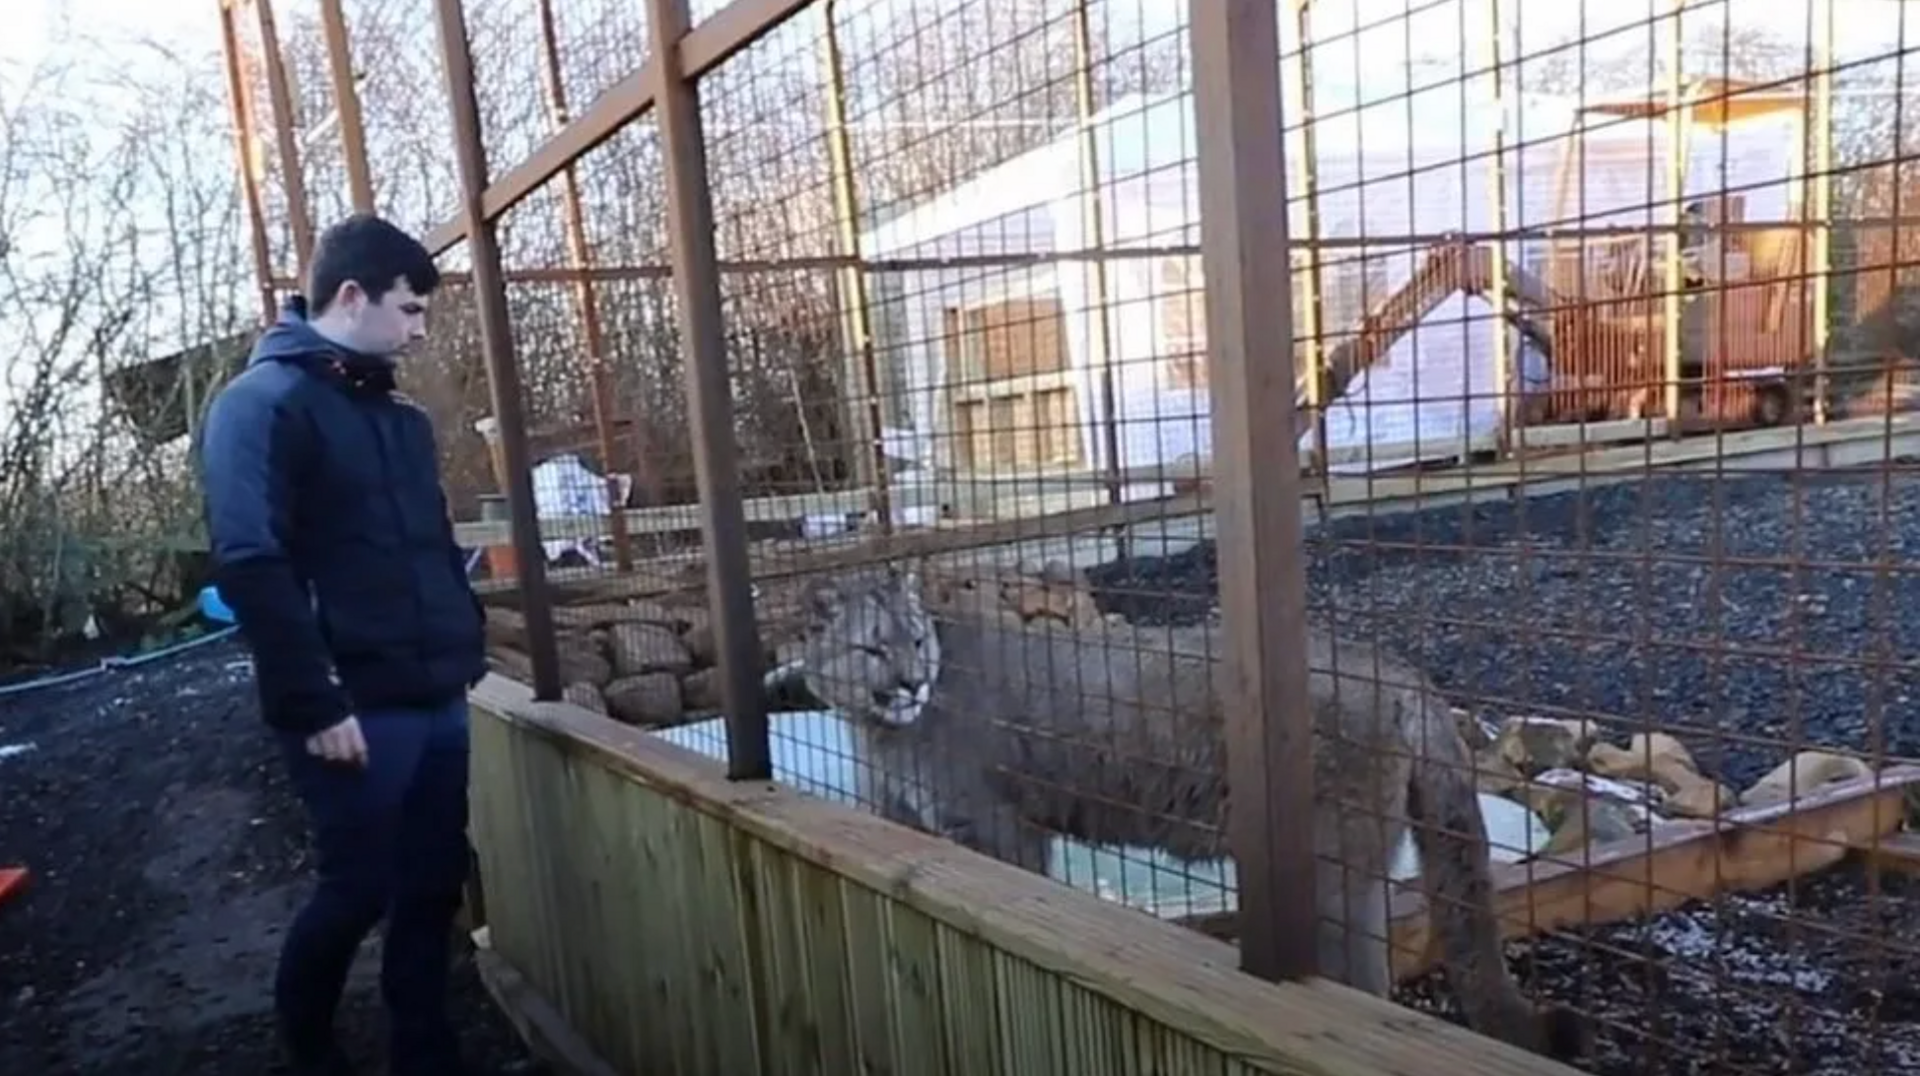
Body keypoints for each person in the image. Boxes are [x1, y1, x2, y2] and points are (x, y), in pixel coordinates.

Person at [199, 213, 488, 1076]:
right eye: (408, 310)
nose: (418, 329)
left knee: (432, 884)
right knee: (356, 887)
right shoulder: (261, 406)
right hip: (350, 703)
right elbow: (250, 558)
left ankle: (424, 1051)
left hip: (435, 690)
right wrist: (312, 699)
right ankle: (310, 1043)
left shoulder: (398, 419)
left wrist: (463, 643)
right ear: (352, 296)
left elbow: (428, 547)